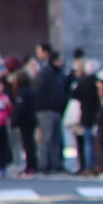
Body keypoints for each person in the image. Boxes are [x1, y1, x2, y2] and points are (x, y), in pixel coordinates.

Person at [33, 43, 65, 174]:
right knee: (47, 138)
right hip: (46, 109)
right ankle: (44, 164)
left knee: (55, 139)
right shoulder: (45, 73)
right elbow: (39, 92)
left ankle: (55, 164)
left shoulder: (56, 73)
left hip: (55, 109)